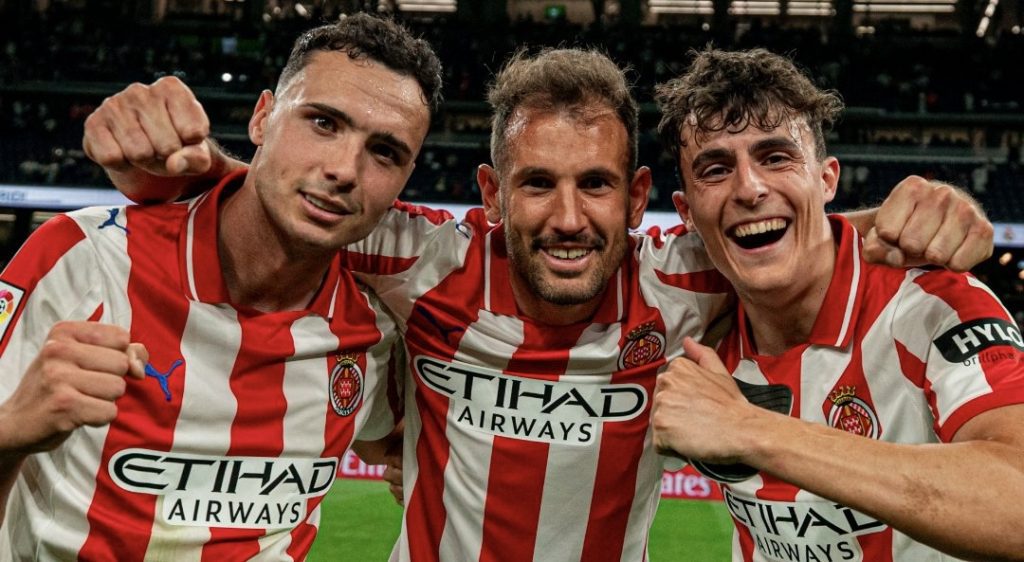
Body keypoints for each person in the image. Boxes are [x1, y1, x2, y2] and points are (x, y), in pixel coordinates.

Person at [86, 47, 993, 561]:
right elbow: (295, 198)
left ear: (640, 200)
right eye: (535, 184)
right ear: (489, 194)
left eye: (595, 184)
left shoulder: (681, 283)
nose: (567, 218)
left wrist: (910, 218)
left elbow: (776, 235)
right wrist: (178, 160)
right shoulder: (424, 262)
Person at [0, 13, 441, 560]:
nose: (345, 169)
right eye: (323, 123)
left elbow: (392, 444)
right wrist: (9, 434)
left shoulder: (371, 333)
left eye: (385, 152)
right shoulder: (84, 258)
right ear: (262, 118)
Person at [651, 47, 1023, 561]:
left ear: (827, 180)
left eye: (775, 157)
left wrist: (749, 429)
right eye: (715, 169)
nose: (750, 188)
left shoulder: (930, 306)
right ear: (687, 212)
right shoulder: (690, 315)